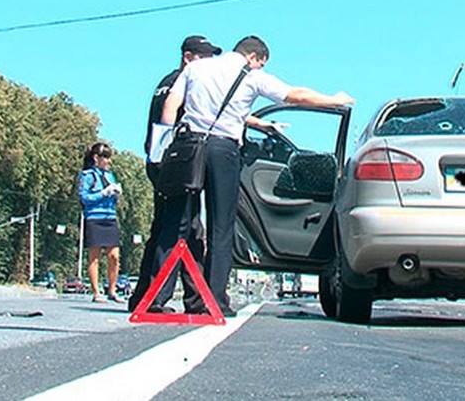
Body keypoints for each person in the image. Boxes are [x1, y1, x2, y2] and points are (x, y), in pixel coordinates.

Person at [156, 35, 355, 316]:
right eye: (261, 63)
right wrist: (333, 100)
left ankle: (157, 299)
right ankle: (214, 302)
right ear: (254, 57)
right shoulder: (251, 75)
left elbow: (172, 103)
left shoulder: (197, 68)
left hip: (187, 145)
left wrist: (161, 147)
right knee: (221, 226)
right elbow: (293, 94)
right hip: (223, 149)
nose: (260, 67)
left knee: (175, 223)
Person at [128, 35, 221, 314]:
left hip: (161, 162)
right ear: (188, 57)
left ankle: (156, 297)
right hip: (177, 166)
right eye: (204, 57)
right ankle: (155, 300)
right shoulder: (183, 84)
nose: (209, 63)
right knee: (176, 230)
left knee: (183, 230)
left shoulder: (165, 82)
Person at [78, 142, 124, 304]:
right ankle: (96, 291)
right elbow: (84, 198)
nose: (108, 161)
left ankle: (112, 289)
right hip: (94, 218)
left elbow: (113, 197)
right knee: (94, 257)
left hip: (110, 217)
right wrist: (103, 193)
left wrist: (116, 194)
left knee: (114, 256)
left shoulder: (110, 175)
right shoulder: (87, 175)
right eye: (105, 157)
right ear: (96, 158)